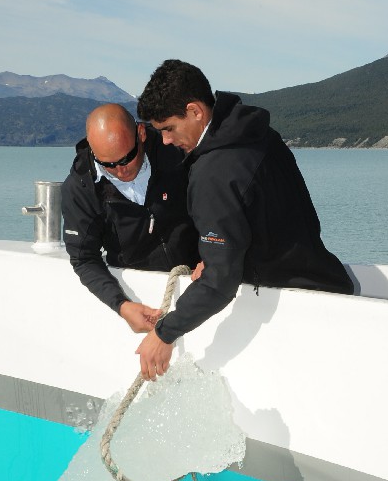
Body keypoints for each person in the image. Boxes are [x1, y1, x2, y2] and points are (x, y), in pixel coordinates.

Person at [136, 59, 354, 380]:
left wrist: (164, 334)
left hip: (294, 311)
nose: (166, 140)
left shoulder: (214, 172)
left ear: (195, 111)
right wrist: (216, 254)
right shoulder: (258, 133)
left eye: (168, 128)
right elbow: (272, 219)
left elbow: (220, 282)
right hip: (328, 285)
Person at [61, 103, 199, 333]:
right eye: (108, 164)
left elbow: (217, 205)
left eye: (127, 158)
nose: (120, 171)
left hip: (199, 280)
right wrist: (121, 305)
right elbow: (84, 258)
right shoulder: (80, 189)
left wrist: (214, 256)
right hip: (139, 292)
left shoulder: (176, 149)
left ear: (141, 134)